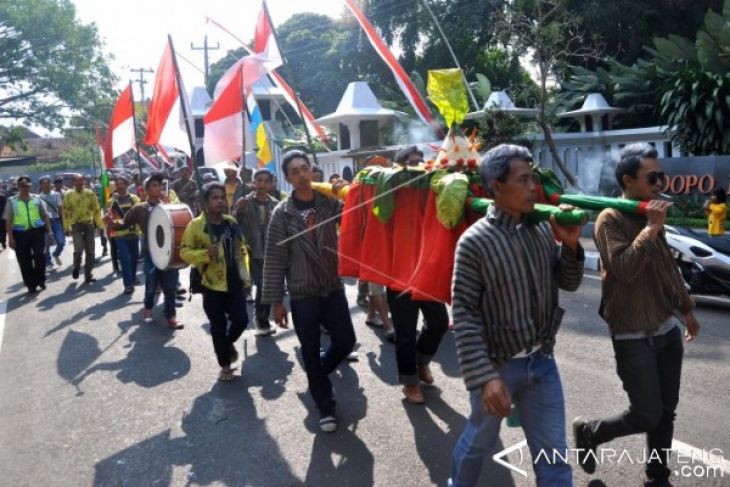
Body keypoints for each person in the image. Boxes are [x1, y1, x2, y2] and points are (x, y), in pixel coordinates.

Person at [449, 144, 584, 487]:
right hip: (497, 367)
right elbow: (463, 314)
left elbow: (568, 282)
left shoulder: (541, 229)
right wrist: (485, 377)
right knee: (478, 443)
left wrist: (570, 246)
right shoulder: (474, 242)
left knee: (554, 458)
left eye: (533, 180)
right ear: (496, 187)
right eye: (523, 181)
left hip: (541, 362)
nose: (532, 188)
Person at [573, 143, 700, 486]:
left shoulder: (649, 215)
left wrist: (686, 310)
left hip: (666, 333)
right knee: (646, 414)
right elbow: (625, 270)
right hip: (632, 336)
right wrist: (652, 228)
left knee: (666, 413)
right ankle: (590, 432)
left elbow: (666, 268)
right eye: (652, 177)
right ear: (628, 180)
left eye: (661, 175)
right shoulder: (608, 220)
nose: (661, 183)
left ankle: (656, 476)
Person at [262, 150, 356, 433]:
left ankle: (317, 374)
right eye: (295, 172)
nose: (303, 175)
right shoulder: (282, 213)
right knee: (311, 350)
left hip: (332, 286)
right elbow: (275, 259)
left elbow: (355, 217)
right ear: (288, 178)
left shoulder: (329, 202)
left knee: (345, 341)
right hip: (303, 292)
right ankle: (325, 406)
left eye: (306, 169)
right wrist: (276, 302)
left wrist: (345, 193)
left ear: (313, 171)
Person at [181, 182, 251, 380]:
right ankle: (225, 365)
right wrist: (204, 253)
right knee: (218, 326)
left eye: (222, 197)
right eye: (215, 198)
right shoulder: (195, 226)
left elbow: (241, 251)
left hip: (234, 283)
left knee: (241, 320)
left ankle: (226, 344)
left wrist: (246, 280)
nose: (220, 201)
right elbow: (184, 253)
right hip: (211, 285)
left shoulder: (231, 222)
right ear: (205, 202)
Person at [106, 173, 183, 329]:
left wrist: (169, 206)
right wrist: (111, 223)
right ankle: (148, 308)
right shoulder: (140, 208)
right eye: (154, 185)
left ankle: (171, 315)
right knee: (151, 284)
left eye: (160, 185)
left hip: (168, 253)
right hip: (151, 252)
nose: (159, 188)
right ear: (147, 190)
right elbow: (124, 223)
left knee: (170, 287)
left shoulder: (169, 205)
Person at [235, 168, 278, 336]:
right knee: (258, 285)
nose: (263, 184)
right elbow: (234, 222)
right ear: (254, 183)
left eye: (266, 181)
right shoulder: (244, 202)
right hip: (250, 251)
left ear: (271, 184)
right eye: (259, 180)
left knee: (266, 287)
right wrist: (239, 210)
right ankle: (257, 319)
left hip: (270, 252)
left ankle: (262, 318)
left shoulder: (275, 203)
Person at [4, 176, 53, 293]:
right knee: (24, 260)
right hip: (20, 234)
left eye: (28, 186)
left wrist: (49, 231)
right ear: (19, 187)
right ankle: (30, 284)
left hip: (37, 231)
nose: (26, 188)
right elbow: (8, 220)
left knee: (39, 257)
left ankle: (40, 280)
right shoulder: (12, 201)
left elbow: (45, 216)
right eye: (23, 186)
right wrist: (10, 238)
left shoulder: (37, 199)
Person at [63, 173, 104, 283]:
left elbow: (96, 210)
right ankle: (77, 265)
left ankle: (88, 274)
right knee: (79, 248)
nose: (80, 183)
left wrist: (100, 225)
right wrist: (66, 227)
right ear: (73, 182)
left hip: (88, 224)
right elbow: (65, 212)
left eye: (81, 180)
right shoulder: (68, 195)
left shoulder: (90, 194)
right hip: (76, 225)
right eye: (77, 181)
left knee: (90, 251)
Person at [107, 175, 141, 294]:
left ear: (126, 185)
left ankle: (132, 277)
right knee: (125, 260)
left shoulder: (134, 198)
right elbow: (109, 217)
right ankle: (128, 284)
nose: (119, 186)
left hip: (134, 233)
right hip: (119, 234)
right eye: (117, 184)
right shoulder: (111, 201)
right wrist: (108, 220)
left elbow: (139, 213)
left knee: (135, 259)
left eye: (121, 184)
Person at [38, 176, 65, 270]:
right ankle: (48, 262)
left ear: (50, 184)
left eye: (48, 183)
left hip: (56, 220)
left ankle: (56, 254)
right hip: (44, 223)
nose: (46, 185)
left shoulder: (56, 194)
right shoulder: (38, 198)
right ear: (41, 185)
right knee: (46, 243)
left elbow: (60, 208)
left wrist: (63, 222)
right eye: (44, 184)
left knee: (61, 242)